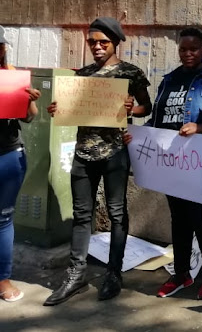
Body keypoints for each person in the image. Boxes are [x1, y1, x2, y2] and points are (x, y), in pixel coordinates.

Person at [45, 17, 152, 306]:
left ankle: (114, 273)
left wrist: (133, 106)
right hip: (83, 153)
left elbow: (147, 107)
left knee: (117, 213)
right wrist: (58, 108)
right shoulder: (82, 75)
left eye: (103, 42)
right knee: (82, 214)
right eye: (92, 42)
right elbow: (69, 108)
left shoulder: (131, 73)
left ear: (115, 42)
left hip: (115, 152)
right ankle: (76, 274)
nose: (97, 47)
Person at [146, 28, 202, 300]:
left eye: (194, 49)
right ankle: (181, 273)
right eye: (183, 49)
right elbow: (157, 118)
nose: (188, 54)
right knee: (179, 220)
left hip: (199, 160)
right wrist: (137, 135)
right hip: (171, 163)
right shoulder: (169, 79)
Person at [0, 30, 41, 302]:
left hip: (8, 156)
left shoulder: (10, 74)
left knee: (2, 219)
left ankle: (3, 279)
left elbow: (28, 117)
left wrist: (30, 99)